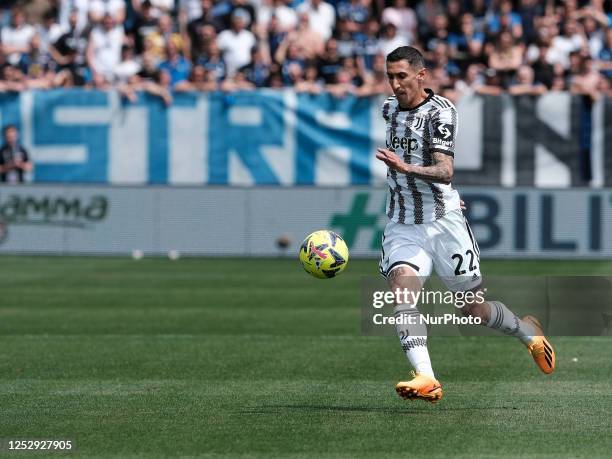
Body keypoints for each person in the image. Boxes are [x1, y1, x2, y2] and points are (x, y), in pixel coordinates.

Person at [375, 46, 556, 403]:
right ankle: (426, 377)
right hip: (403, 224)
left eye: (402, 76)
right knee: (402, 294)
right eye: (390, 76)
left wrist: (406, 168)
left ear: (420, 75)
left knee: (473, 310)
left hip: (444, 224)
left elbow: (445, 170)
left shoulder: (441, 113)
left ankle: (527, 331)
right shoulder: (388, 110)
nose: (395, 85)